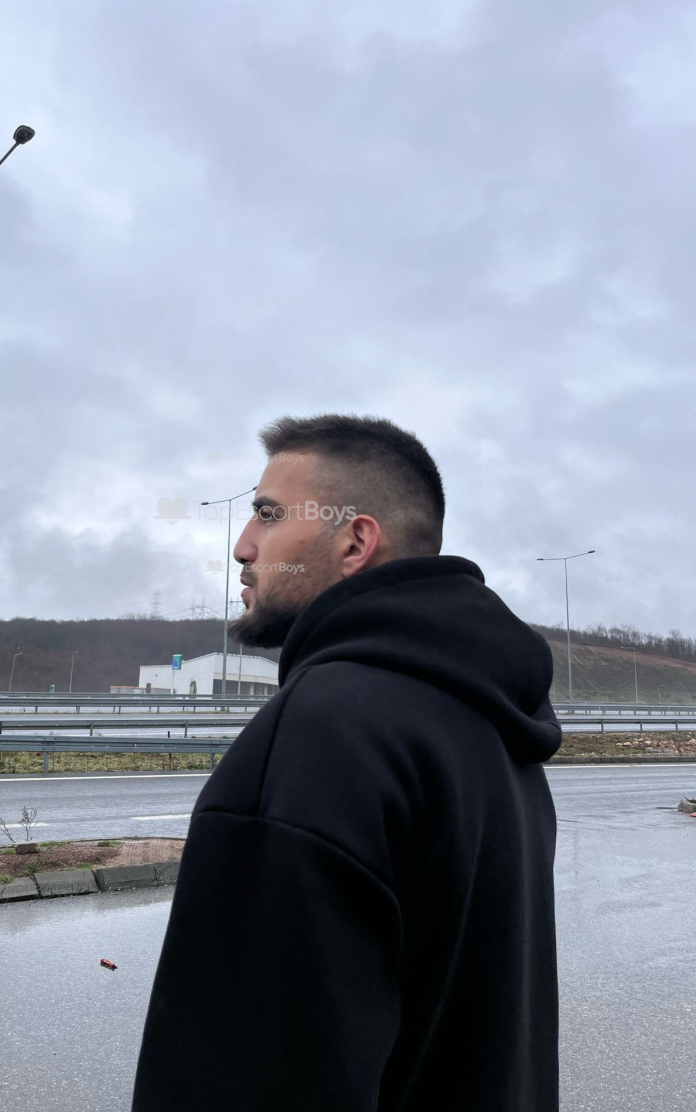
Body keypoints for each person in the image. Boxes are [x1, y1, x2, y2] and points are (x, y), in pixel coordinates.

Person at [132, 414, 561, 1111]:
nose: (242, 546)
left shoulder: (319, 734)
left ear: (355, 542)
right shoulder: (493, 727)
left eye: (269, 515)